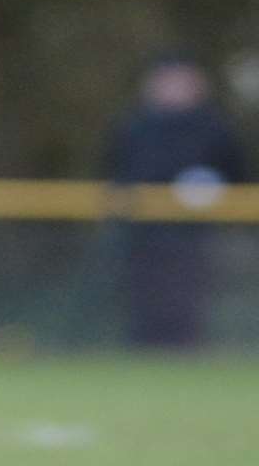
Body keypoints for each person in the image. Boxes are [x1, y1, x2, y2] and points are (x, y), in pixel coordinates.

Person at [106, 53, 249, 347]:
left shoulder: (215, 128)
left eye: (181, 82)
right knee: (145, 298)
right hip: (143, 232)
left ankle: (187, 353)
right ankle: (142, 353)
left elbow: (238, 176)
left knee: (188, 301)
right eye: (167, 81)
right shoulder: (135, 126)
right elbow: (114, 171)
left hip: (196, 234)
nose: (173, 89)